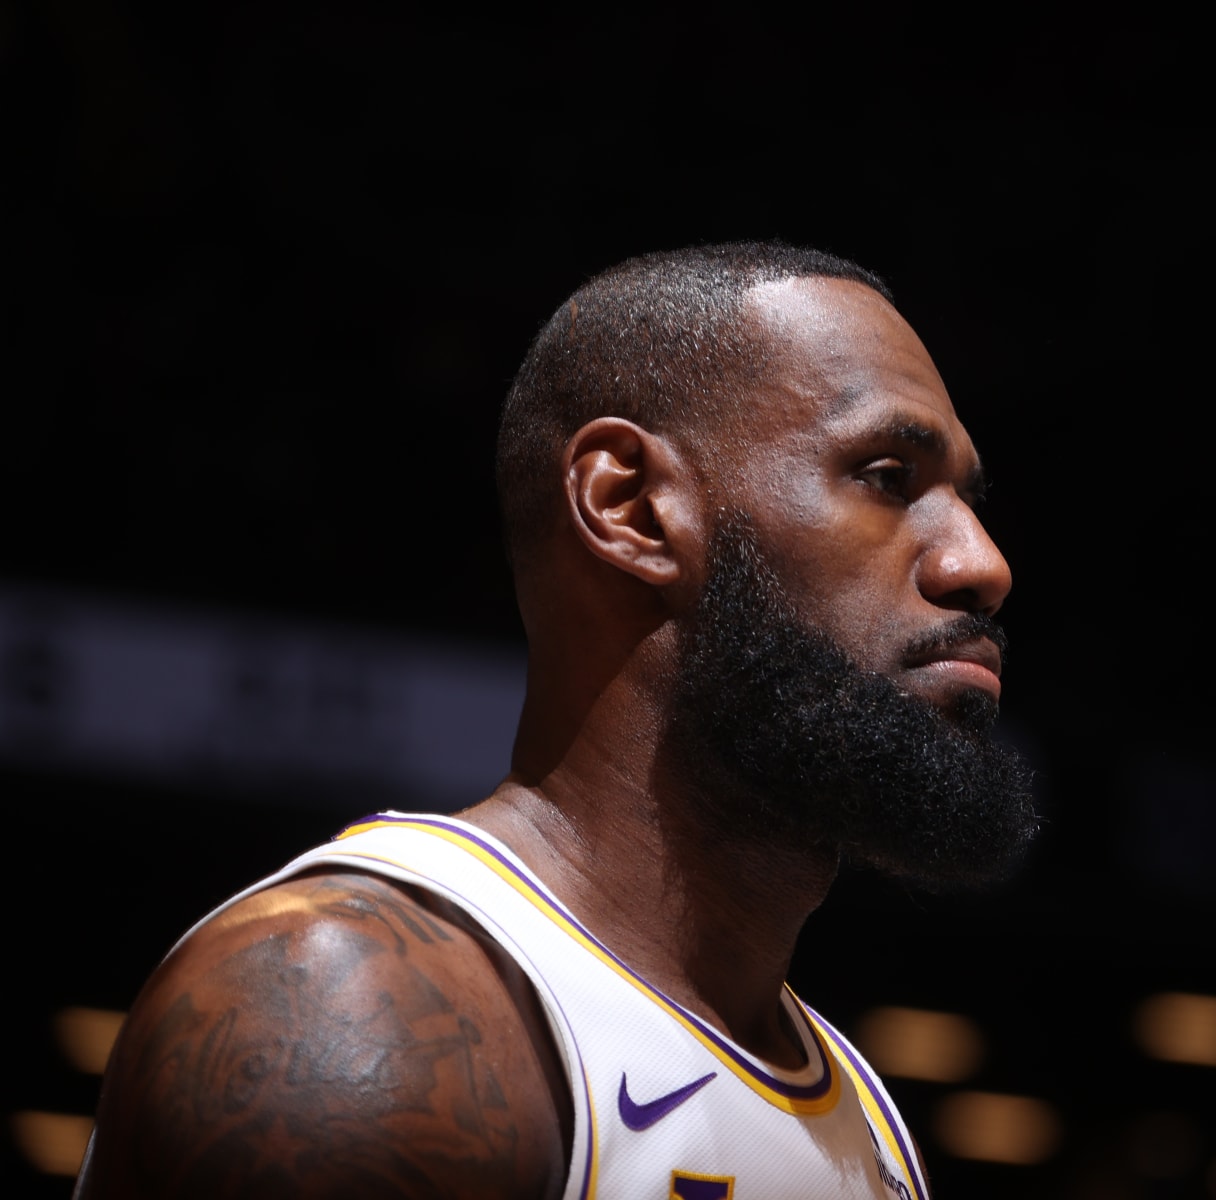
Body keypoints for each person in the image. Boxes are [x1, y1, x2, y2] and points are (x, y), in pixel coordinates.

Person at [74, 242, 1039, 1200]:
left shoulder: (866, 1121)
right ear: (629, 507)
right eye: (885, 474)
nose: (981, 562)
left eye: (968, 498)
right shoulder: (355, 1012)